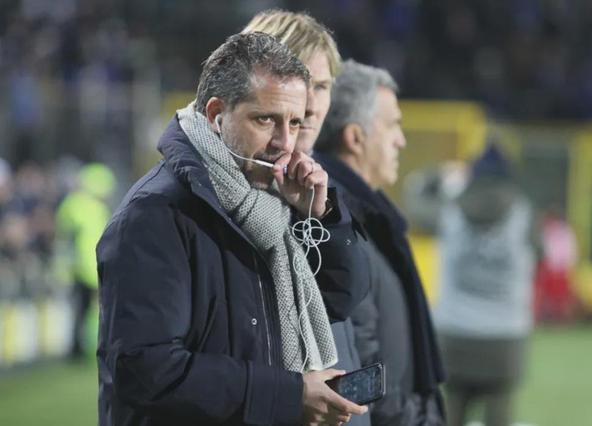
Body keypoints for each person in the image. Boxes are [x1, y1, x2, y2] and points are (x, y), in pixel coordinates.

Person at [96, 32, 368, 426]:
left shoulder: (276, 202)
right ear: (215, 115)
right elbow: (146, 369)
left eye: (294, 122)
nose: (285, 143)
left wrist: (320, 215)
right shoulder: (153, 215)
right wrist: (289, 395)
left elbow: (341, 300)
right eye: (265, 119)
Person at [242, 11, 370, 426]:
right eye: (301, 82)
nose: (312, 105)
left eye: (322, 86)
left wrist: (324, 215)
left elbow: (348, 303)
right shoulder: (228, 195)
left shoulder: (325, 189)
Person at [315, 60, 446, 426]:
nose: (401, 140)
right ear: (355, 137)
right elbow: (362, 363)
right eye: (392, 125)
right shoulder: (339, 220)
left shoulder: (367, 216)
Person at [434, 143, 537, 426]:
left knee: (451, 414)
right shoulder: (524, 212)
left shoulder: (451, 207)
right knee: (499, 416)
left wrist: (442, 178)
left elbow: (415, 201)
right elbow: (542, 253)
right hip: (505, 334)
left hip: (455, 331)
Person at [56, 162, 115, 359]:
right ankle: (85, 346)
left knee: (83, 310)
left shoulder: (74, 204)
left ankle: (81, 346)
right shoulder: (90, 207)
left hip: (83, 267)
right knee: (90, 309)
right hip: (88, 267)